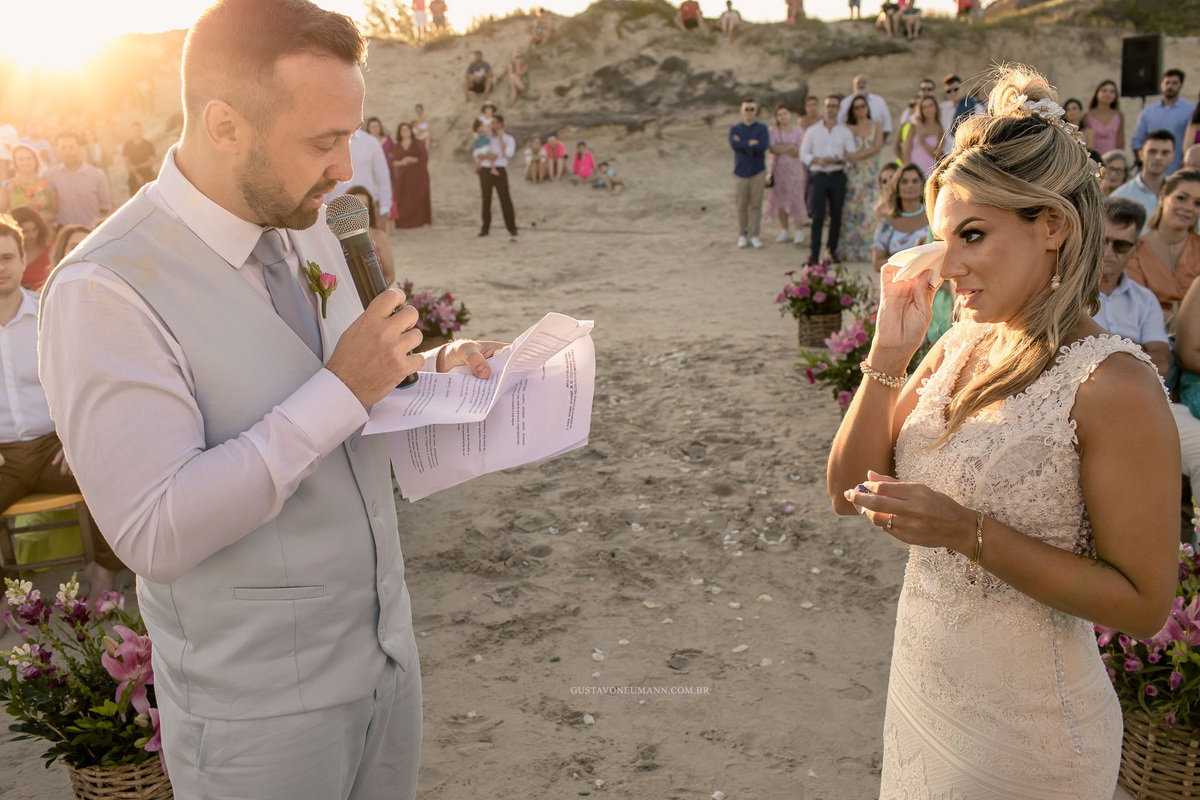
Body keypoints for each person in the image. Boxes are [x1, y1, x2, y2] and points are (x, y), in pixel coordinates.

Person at [39, 1, 505, 796]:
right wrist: (341, 387)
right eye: (323, 142)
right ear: (225, 126)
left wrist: (428, 373)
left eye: (350, 138)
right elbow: (154, 529)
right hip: (259, 718)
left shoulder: (312, 223)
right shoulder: (105, 288)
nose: (342, 169)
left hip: (387, 662)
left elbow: (347, 390)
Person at [834, 65, 1178, 798]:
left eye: (974, 235)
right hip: (924, 682)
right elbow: (845, 491)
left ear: (1051, 225)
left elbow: (1146, 605)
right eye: (942, 239)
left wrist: (968, 532)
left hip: (1029, 732)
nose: (948, 265)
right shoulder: (958, 342)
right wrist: (886, 357)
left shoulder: (1112, 384)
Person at [0, 216, 123, 593]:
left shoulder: (48, 312)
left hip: (53, 445)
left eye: (7, 257)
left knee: (112, 474)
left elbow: (85, 380)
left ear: (24, 261)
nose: (0, 267)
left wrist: (75, 439)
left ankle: (104, 572)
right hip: (3, 456)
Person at [1093, 197, 1170, 380]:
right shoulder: (1067, 293)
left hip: (1134, 390)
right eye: (1103, 241)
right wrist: (1136, 352)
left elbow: (1161, 360)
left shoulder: (1146, 299)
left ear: (1137, 248)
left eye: (1121, 245)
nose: (1108, 253)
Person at [1123, 167, 1200, 315]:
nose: (1189, 208)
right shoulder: (1132, 248)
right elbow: (1136, 302)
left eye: (1197, 203)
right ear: (1163, 198)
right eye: (1181, 198)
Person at [800, 94, 857, 264]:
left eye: (834, 106)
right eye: (828, 105)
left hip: (837, 176)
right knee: (817, 216)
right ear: (823, 108)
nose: (831, 109)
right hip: (819, 177)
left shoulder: (845, 132)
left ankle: (831, 252)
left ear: (838, 109)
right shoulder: (813, 131)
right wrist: (818, 160)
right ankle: (813, 254)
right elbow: (803, 153)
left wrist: (838, 159)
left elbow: (851, 155)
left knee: (836, 216)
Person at [842, 94, 884, 262]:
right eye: (857, 107)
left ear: (867, 108)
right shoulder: (848, 128)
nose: (860, 110)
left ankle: (868, 250)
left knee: (869, 211)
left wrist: (856, 155)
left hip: (870, 173)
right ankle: (850, 250)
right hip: (854, 174)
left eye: (863, 106)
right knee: (852, 210)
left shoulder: (876, 126)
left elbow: (876, 147)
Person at [1132, 69, 1194, 176]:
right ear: (1161, 84)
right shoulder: (1148, 111)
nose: (1170, 86)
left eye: (1174, 83)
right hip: (1150, 171)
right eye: (1167, 82)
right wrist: (1143, 163)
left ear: (1181, 85)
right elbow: (1137, 141)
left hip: (1177, 170)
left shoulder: (1191, 110)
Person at [870, 162, 928, 271]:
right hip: (899, 284)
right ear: (896, 186)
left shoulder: (934, 216)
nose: (910, 185)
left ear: (922, 184)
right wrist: (909, 260)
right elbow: (877, 263)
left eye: (915, 181)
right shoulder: (887, 222)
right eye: (904, 181)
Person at [329, 124, 393, 222]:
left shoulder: (371, 143)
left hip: (364, 208)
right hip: (334, 209)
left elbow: (382, 177)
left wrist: (385, 207)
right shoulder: (327, 140)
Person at [764, 104, 808, 245]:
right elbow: (772, 148)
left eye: (785, 113)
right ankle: (785, 230)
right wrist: (789, 147)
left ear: (790, 114)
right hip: (778, 172)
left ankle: (799, 231)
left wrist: (783, 148)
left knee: (797, 200)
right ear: (777, 117)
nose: (783, 117)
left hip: (795, 171)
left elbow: (800, 150)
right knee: (779, 201)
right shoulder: (773, 131)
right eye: (780, 114)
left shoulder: (798, 131)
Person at [47, 131, 111, 226]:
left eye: (71, 147)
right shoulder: (53, 174)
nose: (67, 152)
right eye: (63, 148)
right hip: (65, 232)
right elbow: (52, 204)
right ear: (58, 150)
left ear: (80, 148)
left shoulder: (97, 175)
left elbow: (105, 208)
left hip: (91, 232)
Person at [729, 97, 769, 249]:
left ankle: (755, 235)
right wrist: (750, 143)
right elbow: (734, 144)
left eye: (752, 109)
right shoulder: (735, 129)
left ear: (756, 111)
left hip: (758, 171)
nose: (749, 112)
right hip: (740, 172)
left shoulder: (762, 128)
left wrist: (743, 144)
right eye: (747, 109)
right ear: (741, 110)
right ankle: (742, 234)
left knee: (756, 205)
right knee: (741, 205)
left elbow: (763, 146)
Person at [1111, 128, 1174, 221]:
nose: (1158, 157)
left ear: (1172, 156)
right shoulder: (1121, 197)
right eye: (1152, 151)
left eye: (1165, 153)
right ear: (1141, 155)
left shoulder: (1180, 193)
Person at [345, 185, 396, 285]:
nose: (358, 210)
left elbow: (390, 274)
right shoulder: (335, 236)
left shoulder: (378, 236)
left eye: (363, 205)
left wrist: (376, 291)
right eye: (354, 205)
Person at [477, 113, 518, 237]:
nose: (492, 125)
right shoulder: (485, 137)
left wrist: (500, 140)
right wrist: (488, 156)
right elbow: (477, 154)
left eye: (494, 122)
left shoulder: (508, 139)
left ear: (500, 124)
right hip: (485, 169)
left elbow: (509, 154)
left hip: (500, 168)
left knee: (505, 198)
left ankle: (511, 227)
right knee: (486, 199)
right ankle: (485, 228)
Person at [0, 144, 56, 222]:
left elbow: (56, 212)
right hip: (18, 231)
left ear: (35, 160)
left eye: (29, 158)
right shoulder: (8, 186)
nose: (25, 162)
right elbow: (1, 213)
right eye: (21, 159)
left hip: (45, 231)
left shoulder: (48, 185)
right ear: (15, 163)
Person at [391, 122, 432, 229]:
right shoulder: (396, 146)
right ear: (399, 132)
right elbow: (392, 161)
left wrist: (413, 159)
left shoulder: (417, 143)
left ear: (410, 131)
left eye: (407, 129)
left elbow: (425, 157)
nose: (405, 132)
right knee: (402, 197)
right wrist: (402, 162)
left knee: (417, 196)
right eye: (402, 130)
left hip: (418, 176)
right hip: (403, 176)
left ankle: (419, 221)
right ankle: (403, 223)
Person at [837, 74, 893, 141]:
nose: (861, 85)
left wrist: (879, 144)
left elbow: (887, 125)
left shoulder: (879, 101)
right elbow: (839, 123)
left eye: (864, 82)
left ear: (868, 84)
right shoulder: (845, 103)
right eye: (858, 83)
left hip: (875, 143)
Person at [9, 206, 52, 289]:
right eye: (25, 231)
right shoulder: (6, 253)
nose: (31, 235)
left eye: (34, 230)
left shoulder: (51, 251)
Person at [902, 95, 943, 178]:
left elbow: (939, 155)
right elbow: (906, 150)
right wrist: (907, 170)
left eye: (930, 105)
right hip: (914, 170)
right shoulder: (915, 125)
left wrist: (923, 142)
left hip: (931, 172)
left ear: (935, 107)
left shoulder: (939, 128)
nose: (928, 109)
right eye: (924, 107)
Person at [1084, 80, 1124, 155]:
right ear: (1097, 93)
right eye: (1104, 90)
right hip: (1094, 160)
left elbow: (1120, 142)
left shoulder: (1119, 115)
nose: (1108, 94)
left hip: (1113, 159)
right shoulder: (1087, 116)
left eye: (1112, 91)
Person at [122, 122, 157, 197]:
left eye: (138, 130)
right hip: (133, 178)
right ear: (130, 131)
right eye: (134, 130)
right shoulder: (127, 145)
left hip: (148, 176)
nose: (137, 132)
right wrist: (137, 175)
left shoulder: (148, 144)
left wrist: (138, 167)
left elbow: (151, 161)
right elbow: (126, 162)